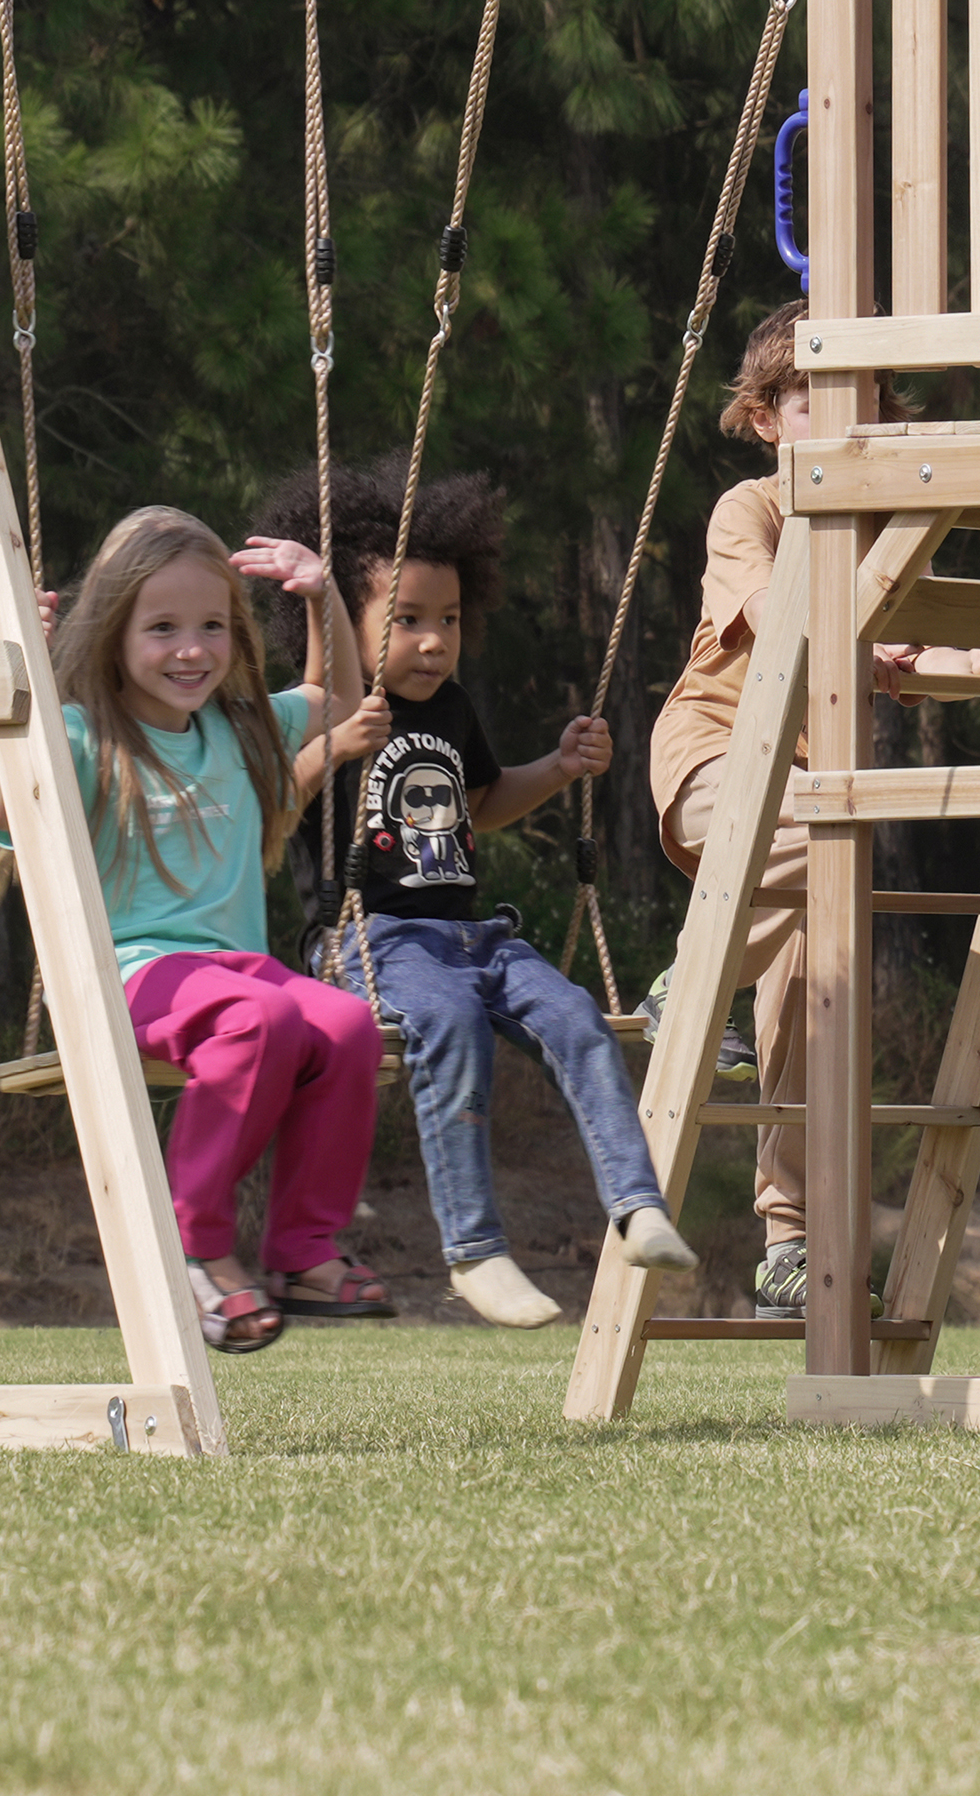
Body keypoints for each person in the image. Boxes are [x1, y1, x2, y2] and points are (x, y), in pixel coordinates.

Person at [643, 302, 980, 1317]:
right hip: (717, 765)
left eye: (853, 400)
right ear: (766, 419)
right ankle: (694, 975)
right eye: (806, 399)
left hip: (813, 802)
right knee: (818, 843)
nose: (830, 419)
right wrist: (872, 643)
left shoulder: (876, 537)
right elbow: (783, 613)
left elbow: (906, 656)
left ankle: (792, 1239)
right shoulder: (753, 510)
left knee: (813, 991)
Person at [259, 459, 703, 1329]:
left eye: (449, 620)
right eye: (409, 620)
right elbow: (280, 806)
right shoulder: (335, 710)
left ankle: (638, 1205)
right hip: (372, 939)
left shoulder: (452, 709)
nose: (434, 641)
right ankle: (474, 1252)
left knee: (575, 1015)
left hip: (471, 936)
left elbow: (486, 804)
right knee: (455, 1032)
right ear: (351, 627)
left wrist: (557, 766)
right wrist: (339, 745)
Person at [0, 503, 394, 1356]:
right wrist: (19, 660)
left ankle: (303, 1250)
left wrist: (322, 603)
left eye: (210, 626)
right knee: (262, 1018)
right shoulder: (82, 734)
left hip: (233, 971)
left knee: (349, 1025)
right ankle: (194, 1243)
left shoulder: (238, 733)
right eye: (162, 627)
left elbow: (339, 697)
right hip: (125, 974)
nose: (191, 649)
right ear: (113, 631)